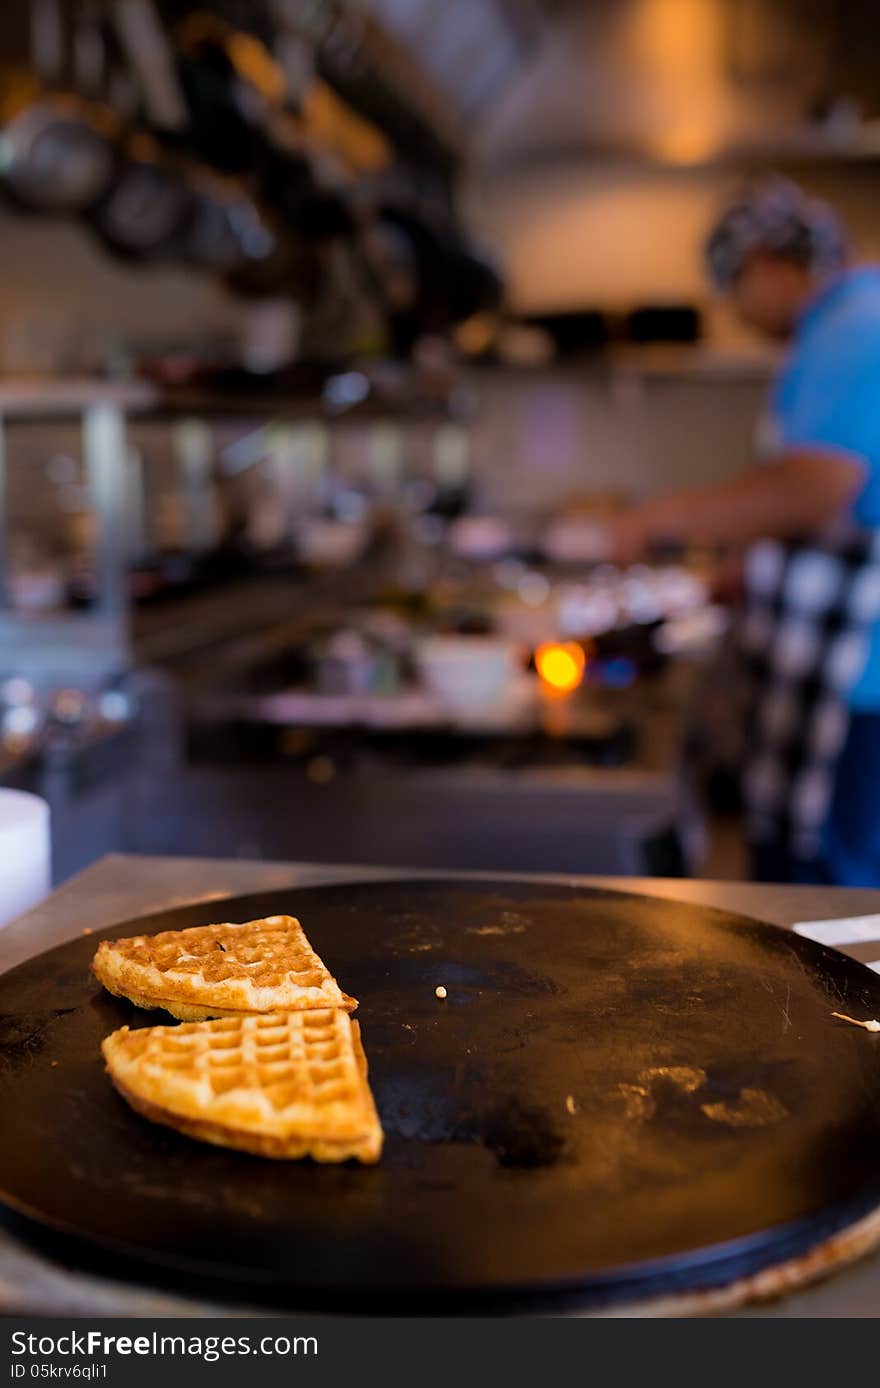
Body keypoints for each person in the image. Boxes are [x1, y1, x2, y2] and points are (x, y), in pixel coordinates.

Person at [610, 178, 880, 884]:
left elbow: (819, 487)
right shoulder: (844, 324)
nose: (735, 310)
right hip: (843, 670)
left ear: (765, 262)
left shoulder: (854, 324)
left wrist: (658, 518)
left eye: (732, 286)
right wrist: (748, 566)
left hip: (860, 682)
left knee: (833, 902)